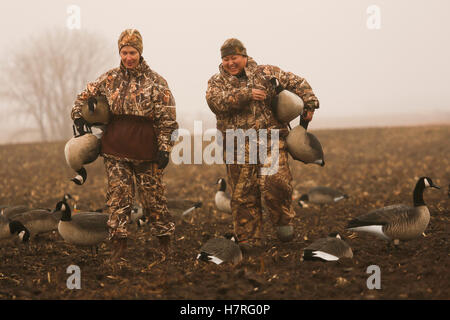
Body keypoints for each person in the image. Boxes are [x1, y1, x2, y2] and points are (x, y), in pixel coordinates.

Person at [71, 29, 178, 261]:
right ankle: (118, 251)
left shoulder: (156, 82)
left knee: (154, 201)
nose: (128, 57)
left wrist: (164, 148)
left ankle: (165, 246)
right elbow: (82, 97)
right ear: (119, 52)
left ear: (140, 52)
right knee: (118, 201)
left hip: (146, 151)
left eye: (133, 52)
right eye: (124, 52)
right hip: (115, 149)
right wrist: (78, 115)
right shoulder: (109, 78)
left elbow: (167, 120)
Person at [206, 38, 319, 250]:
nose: (231, 63)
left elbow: (298, 82)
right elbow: (215, 103)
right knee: (243, 195)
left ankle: (283, 221)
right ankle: (248, 240)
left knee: (276, 183)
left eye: (235, 58)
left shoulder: (266, 73)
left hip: (271, 141)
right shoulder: (216, 82)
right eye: (226, 59)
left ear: (244, 57)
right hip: (236, 146)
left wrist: (310, 102)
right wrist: (246, 95)